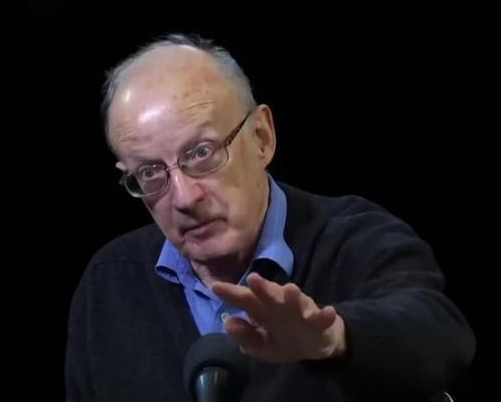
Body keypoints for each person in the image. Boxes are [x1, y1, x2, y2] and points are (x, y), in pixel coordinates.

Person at [65, 34, 475, 402]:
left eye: (202, 153)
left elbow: (441, 337)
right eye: (151, 172)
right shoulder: (110, 283)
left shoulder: (351, 240)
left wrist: (334, 337)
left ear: (261, 137)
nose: (184, 198)